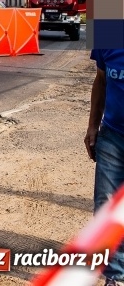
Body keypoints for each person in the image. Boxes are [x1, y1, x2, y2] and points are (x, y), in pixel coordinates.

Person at [86, 48, 124, 286]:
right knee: (106, 206)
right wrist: (92, 126)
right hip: (112, 136)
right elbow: (101, 80)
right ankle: (115, 275)